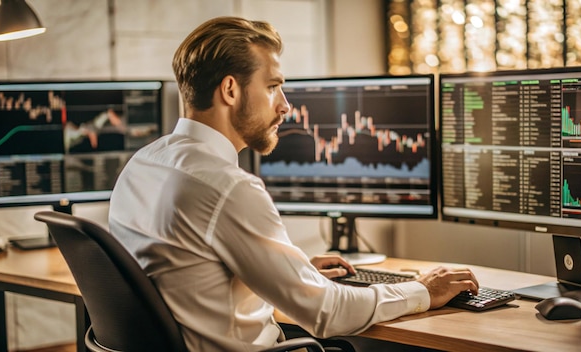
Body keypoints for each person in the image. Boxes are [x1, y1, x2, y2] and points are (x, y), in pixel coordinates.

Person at [108, 16, 479, 352]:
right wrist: (422, 291)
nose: (285, 105)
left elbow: (189, 283)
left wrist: (292, 273)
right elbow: (328, 313)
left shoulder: (142, 164)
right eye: (272, 86)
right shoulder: (227, 187)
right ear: (230, 90)